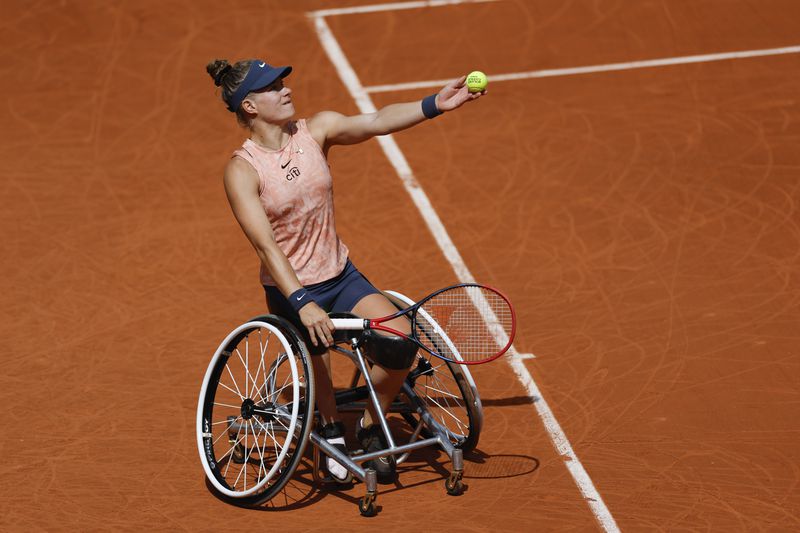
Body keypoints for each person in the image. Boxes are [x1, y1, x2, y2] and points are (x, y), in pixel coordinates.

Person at [206, 57, 485, 484]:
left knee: (401, 343)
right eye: (273, 87)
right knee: (316, 360)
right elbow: (265, 244)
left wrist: (434, 105)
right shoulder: (241, 170)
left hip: (341, 276)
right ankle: (331, 428)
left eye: (283, 81)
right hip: (293, 288)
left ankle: (373, 426)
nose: (286, 90)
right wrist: (301, 302)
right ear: (249, 106)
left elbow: (376, 120)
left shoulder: (315, 130)